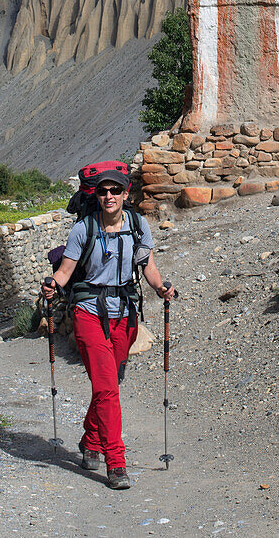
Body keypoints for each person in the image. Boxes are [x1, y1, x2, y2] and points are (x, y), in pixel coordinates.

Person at [42, 164, 175, 490]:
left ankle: (90, 439)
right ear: (96, 195)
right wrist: (51, 285)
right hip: (88, 314)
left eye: (115, 190)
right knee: (107, 388)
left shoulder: (137, 224)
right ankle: (116, 463)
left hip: (126, 316)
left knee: (108, 386)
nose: (109, 196)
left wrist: (161, 288)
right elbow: (65, 272)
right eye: (102, 191)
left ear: (126, 193)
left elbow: (149, 268)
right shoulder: (83, 230)